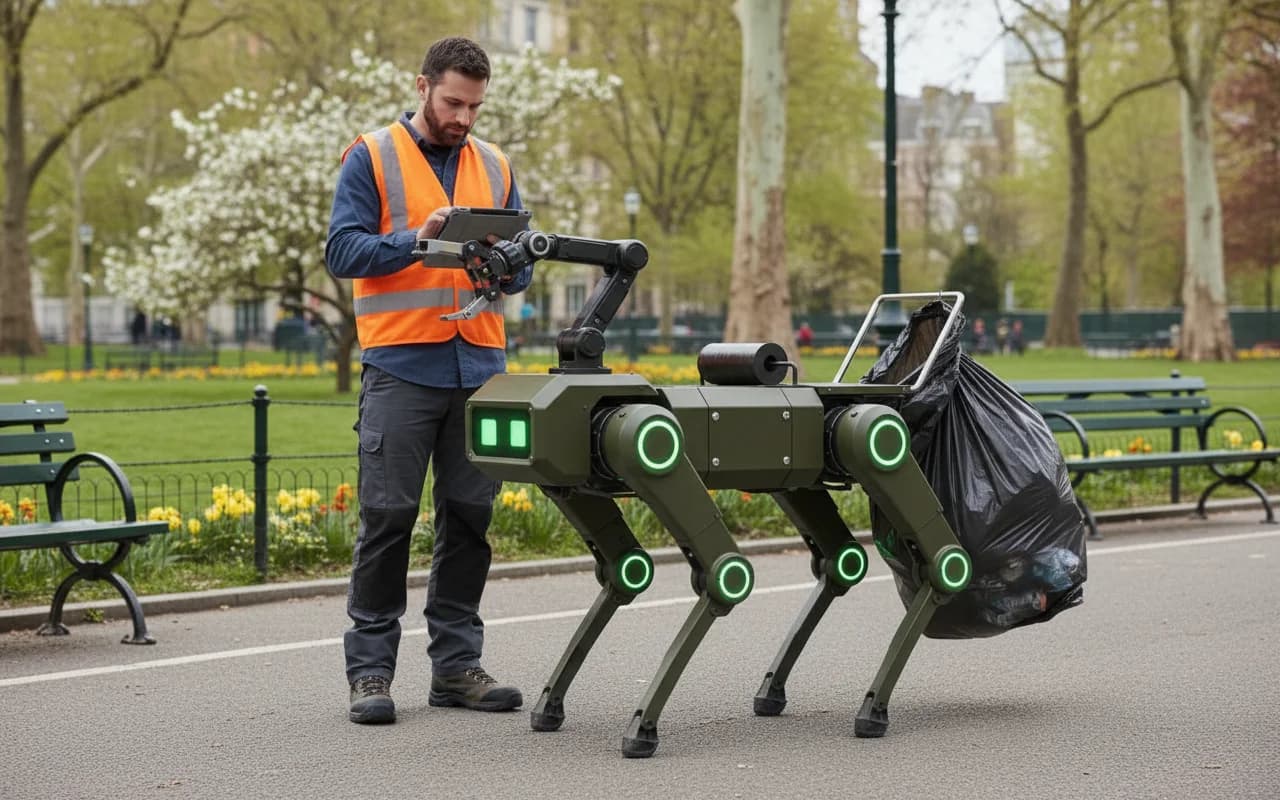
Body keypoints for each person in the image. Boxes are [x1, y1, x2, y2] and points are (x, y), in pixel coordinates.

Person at [325, 36, 533, 725]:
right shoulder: (372, 155)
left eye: (474, 105)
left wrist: (506, 265)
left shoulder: (496, 164)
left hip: (479, 367)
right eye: (452, 102)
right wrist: (419, 238)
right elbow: (343, 250)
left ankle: (456, 669)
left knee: (471, 520)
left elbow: (523, 263)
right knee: (387, 520)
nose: (464, 117)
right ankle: (371, 674)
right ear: (422, 87)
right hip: (400, 369)